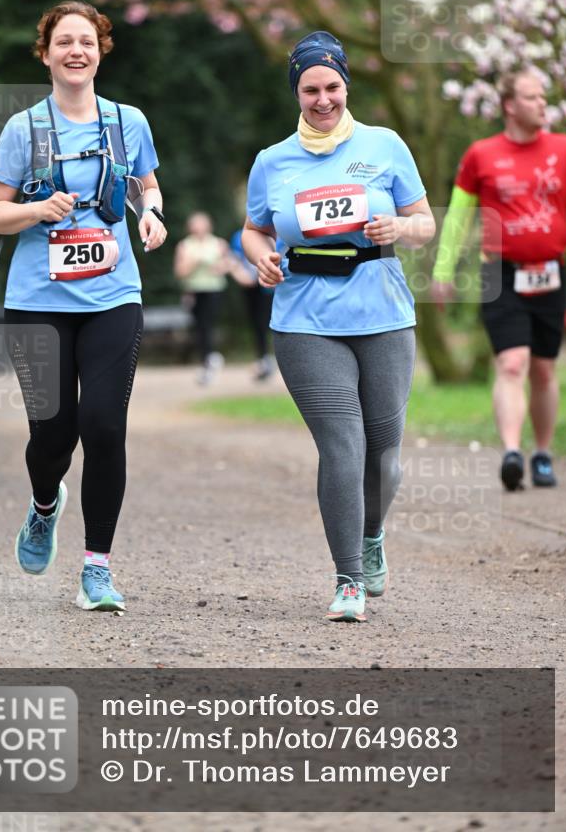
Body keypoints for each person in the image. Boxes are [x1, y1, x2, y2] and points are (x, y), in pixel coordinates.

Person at [0, 0, 167, 611]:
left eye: (86, 40)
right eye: (64, 42)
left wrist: (154, 215)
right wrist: (37, 209)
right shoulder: (21, 129)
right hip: (37, 301)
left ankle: (97, 568)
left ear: (101, 49)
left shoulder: (128, 121)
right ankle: (43, 505)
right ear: (46, 53)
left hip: (113, 295)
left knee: (105, 426)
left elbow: (146, 183)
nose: (76, 51)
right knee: (52, 434)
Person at [242, 31, 435, 623]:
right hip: (304, 316)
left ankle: (372, 533)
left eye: (331, 87)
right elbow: (255, 228)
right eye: (310, 90)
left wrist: (398, 231)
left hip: (382, 311)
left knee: (385, 454)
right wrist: (259, 256)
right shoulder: (272, 162)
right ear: (295, 93)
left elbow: (425, 222)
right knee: (343, 446)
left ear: (345, 85)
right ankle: (348, 577)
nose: (322, 100)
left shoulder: (385, 145)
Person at [431, 70, 566, 491]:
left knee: (544, 371)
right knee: (512, 363)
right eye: (533, 97)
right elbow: (458, 215)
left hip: (550, 272)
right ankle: (512, 451)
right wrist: (443, 270)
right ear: (510, 105)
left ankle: (543, 454)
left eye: (544, 97)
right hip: (500, 273)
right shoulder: (481, 155)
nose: (543, 104)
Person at [174, 211, 230, 385]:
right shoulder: (184, 245)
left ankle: (209, 357)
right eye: (195, 224)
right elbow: (180, 272)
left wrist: (219, 266)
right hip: (194, 290)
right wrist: (195, 262)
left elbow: (227, 265)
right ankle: (207, 358)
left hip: (213, 289)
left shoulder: (219, 243)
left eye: (202, 223)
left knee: (208, 324)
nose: (198, 228)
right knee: (199, 326)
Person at [229, 227, 275, 380]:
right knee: (257, 324)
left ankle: (271, 357)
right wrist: (241, 276)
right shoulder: (239, 236)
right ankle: (263, 358)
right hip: (251, 285)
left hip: (272, 285)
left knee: (269, 323)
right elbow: (234, 259)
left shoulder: (280, 231)